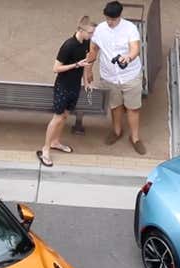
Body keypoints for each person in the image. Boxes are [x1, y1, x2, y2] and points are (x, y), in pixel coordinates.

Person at [87, 1, 146, 155]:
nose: (110, 22)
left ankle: (135, 138)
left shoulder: (130, 29)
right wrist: (89, 69)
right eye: (107, 19)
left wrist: (128, 57)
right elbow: (93, 48)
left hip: (130, 76)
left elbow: (135, 49)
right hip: (109, 76)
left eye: (113, 19)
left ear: (119, 16)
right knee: (115, 106)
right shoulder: (100, 29)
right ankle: (116, 131)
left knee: (133, 108)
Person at [37, 16, 95, 167]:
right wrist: (75, 65)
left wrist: (86, 82)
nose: (91, 36)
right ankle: (46, 149)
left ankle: (56, 142)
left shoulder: (86, 43)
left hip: (75, 86)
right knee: (57, 118)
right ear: (80, 30)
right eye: (89, 32)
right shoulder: (68, 46)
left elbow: (84, 64)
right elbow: (55, 68)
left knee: (65, 116)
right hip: (63, 86)